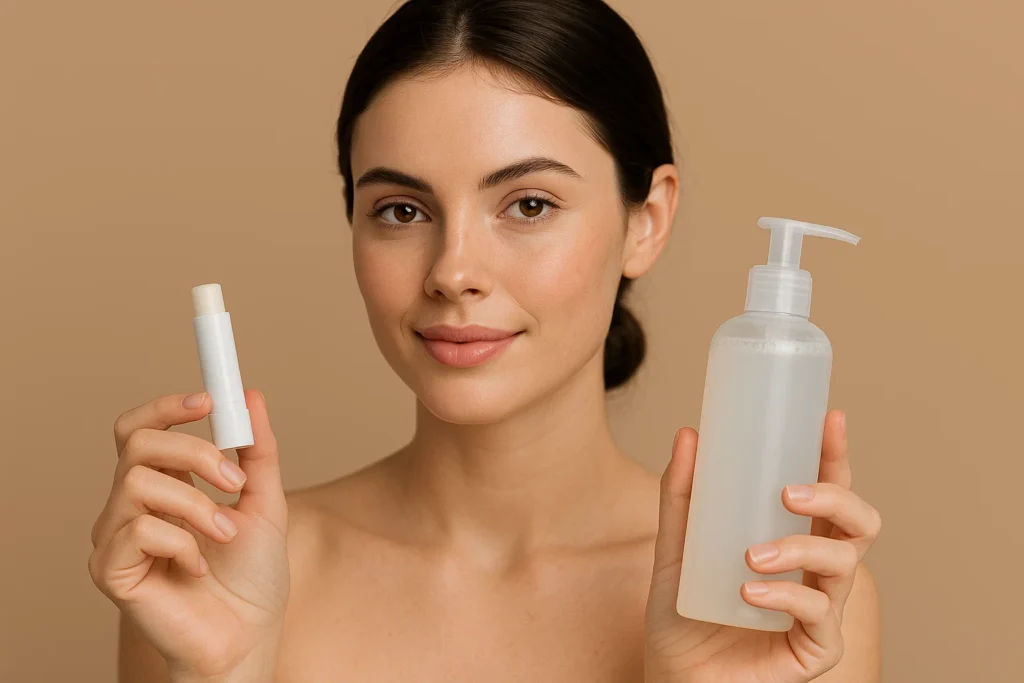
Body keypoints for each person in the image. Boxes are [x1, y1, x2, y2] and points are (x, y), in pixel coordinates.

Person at [88, 1, 882, 681]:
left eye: (529, 204)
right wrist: (223, 672)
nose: (454, 272)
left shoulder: (771, 600)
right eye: (402, 210)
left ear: (647, 220)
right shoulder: (216, 580)